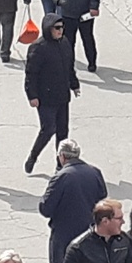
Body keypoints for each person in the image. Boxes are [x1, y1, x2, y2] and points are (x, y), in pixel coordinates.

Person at [23, 13, 81, 174]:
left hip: (62, 96)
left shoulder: (65, 44)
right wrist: (32, 95)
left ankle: (60, 165)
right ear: (49, 29)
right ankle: (33, 156)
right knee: (48, 129)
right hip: (45, 98)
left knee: (63, 131)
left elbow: (69, 67)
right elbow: (31, 74)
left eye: (62, 27)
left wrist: (74, 85)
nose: (60, 31)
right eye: (57, 28)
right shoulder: (38, 47)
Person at [40, 138, 108, 263]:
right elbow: (102, 197)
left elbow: (46, 209)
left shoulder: (60, 177)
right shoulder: (95, 172)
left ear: (62, 156)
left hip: (65, 236)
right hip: (90, 233)